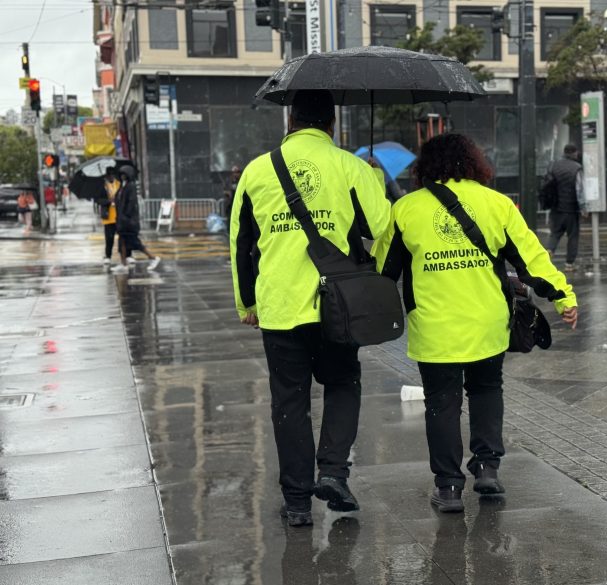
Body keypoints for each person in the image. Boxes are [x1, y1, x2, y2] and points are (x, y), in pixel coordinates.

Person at [373, 133, 578, 513]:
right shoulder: (497, 204)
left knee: (441, 404)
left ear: (425, 168)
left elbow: (383, 271)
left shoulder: (406, 210)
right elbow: (531, 259)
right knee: (486, 390)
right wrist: (564, 296)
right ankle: (487, 468)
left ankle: (449, 488)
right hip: (487, 323)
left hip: (434, 328)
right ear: (474, 163)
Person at [230, 90, 390, 527]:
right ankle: (334, 473)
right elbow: (382, 228)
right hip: (337, 305)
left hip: (280, 306)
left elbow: (241, 244)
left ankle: (298, 502)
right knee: (342, 384)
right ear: (331, 123)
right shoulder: (351, 166)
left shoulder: (256, 171)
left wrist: (247, 301)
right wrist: (373, 181)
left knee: (289, 402)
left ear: (291, 121)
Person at [544, 144, 586, 271]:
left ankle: (548, 253)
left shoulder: (554, 165)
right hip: (571, 209)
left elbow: (548, 185)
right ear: (574, 153)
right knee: (573, 236)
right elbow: (580, 190)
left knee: (555, 234)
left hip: (556, 208)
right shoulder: (577, 168)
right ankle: (569, 264)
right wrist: (583, 208)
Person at [112, 165, 160, 274]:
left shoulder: (131, 186)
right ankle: (123, 264)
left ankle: (153, 257)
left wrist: (125, 216)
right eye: (121, 175)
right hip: (121, 220)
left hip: (128, 221)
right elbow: (119, 200)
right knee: (122, 242)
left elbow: (131, 202)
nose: (122, 176)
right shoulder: (122, 187)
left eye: (124, 174)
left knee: (135, 243)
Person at [96, 168, 122, 264]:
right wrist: (108, 201)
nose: (111, 177)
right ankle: (108, 256)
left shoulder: (119, 184)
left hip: (119, 216)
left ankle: (126, 255)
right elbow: (98, 200)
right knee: (109, 238)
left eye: (112, 175)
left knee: (123, 237)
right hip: (108, 217)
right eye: (109, 175)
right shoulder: (103, 187)